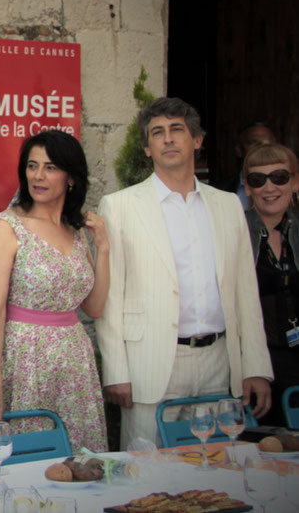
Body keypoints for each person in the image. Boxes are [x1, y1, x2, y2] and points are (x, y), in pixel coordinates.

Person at [97, 97, 273, 448]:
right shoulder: (119, 206)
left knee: (216, 469)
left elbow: (245, 292)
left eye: (177, 129)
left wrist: (255, 365)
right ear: (147, 148)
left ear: (197, 140)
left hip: (218, 360)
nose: (168, 139)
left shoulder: (228, 206)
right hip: (152, 361)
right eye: (157, 133)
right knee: (146, 472)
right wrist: (116, 371)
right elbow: (110, 296)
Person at [0, 130, 109, 453]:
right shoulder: (7, 226)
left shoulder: (76, 232)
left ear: (71, 178)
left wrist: (102, 247)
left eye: (50, 167)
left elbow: (95, 307)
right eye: (32, 166)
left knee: (78, 463)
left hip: (74, 365)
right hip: (24, 360)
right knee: (25, 458)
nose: (38, 175)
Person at [243, 142, 299, 427]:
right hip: (258, 366)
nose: (269, 187)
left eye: (279, 177)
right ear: (247, 187)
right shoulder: (236, 232)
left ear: (295, 181)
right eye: (257, 179)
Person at [215, 122, 276, 209]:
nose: (261, 147)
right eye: (254, 143)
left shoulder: (290, 186)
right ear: (239, 150)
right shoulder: (218, 191)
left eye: (267, 143)